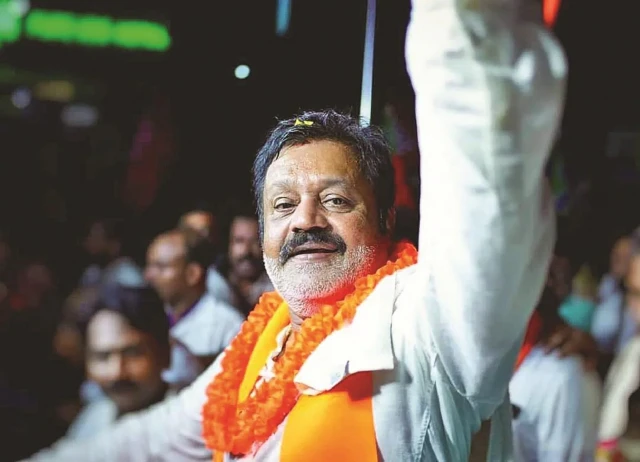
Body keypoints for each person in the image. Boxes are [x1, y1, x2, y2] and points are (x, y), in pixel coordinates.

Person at [25, 0, 565, 460]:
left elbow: (487, 171)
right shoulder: (261, 343)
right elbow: (149, 440)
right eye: (283, 205)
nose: (305, 220)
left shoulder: (426, 330)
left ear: (385, 220)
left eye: (335, 200)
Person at [64, 285, 170, 439]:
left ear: (165, 353)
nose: (117, 373)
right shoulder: (95, 418)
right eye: (102, 357)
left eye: (132, 354)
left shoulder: (190, 418)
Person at [144, 228, 244, 391]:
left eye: (161, 267)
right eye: (150, 266)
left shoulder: (228, 325)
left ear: (192, 274)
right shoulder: (148, 316)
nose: (149, 275)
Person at [216, 212, 274, 315]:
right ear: (228, 244)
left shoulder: (277, 290)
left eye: (255, 242)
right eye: (239, 241)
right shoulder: (213, 285)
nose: (246, 251)